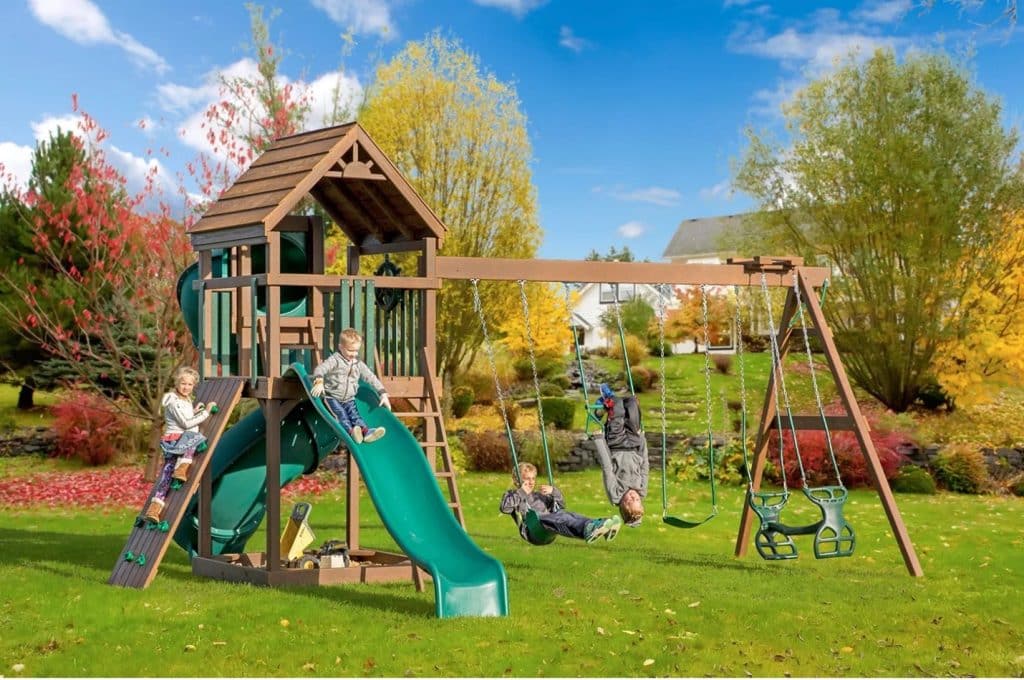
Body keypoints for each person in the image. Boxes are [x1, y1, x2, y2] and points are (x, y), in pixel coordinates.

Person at [144, 367, 216, 522]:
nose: (186, 387)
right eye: (183, 383)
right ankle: (181, 469)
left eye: (190, 385)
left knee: (167, 473)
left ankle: (154, 509)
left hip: (175, 441)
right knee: (195, 437)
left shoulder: (185, 399)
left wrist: (196, 411)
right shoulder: (174, 401)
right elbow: (185, 423)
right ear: (177, 383)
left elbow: (186, 416)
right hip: (177, 440)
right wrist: (206, 412)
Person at [500, 462, 623, 543]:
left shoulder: (539, 496)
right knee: (560, 517)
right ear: (517, 480)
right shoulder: (513, 495)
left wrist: (554, 491)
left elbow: (560, 505)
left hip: (548, 525)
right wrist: (521, 492)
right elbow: (505, 508)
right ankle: (588, 528)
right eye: (527, 479)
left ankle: (600, 526)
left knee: (568, 515)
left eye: (533, 478)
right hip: (533, 529)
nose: (531, 482)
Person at [310, 328, 391, 443]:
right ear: (340, 347)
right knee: (342, 415)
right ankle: (351, 432)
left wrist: (382, 393)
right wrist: (319, 382)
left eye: (356, 351)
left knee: (356, 417)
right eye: (350, 351)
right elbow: (320, 369)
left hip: (349, 399)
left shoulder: (358, 364)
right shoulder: (335, 360)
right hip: (332, 397)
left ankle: (366, 432)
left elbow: (371, 377)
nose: (354, 354)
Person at [594, 384, 648, 527]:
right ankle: (604, 405)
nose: (633, 497)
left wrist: (599, 440)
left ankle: (607, 398)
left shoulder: (615, 494)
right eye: (636, 500)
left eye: (629, 501)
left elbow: (607, 468)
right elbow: (644, 467)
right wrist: (642, 440)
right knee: (631, 404)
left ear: (622, 505)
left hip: (616, 443)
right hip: (634, 445)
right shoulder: (642, 490)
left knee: (617, 405)